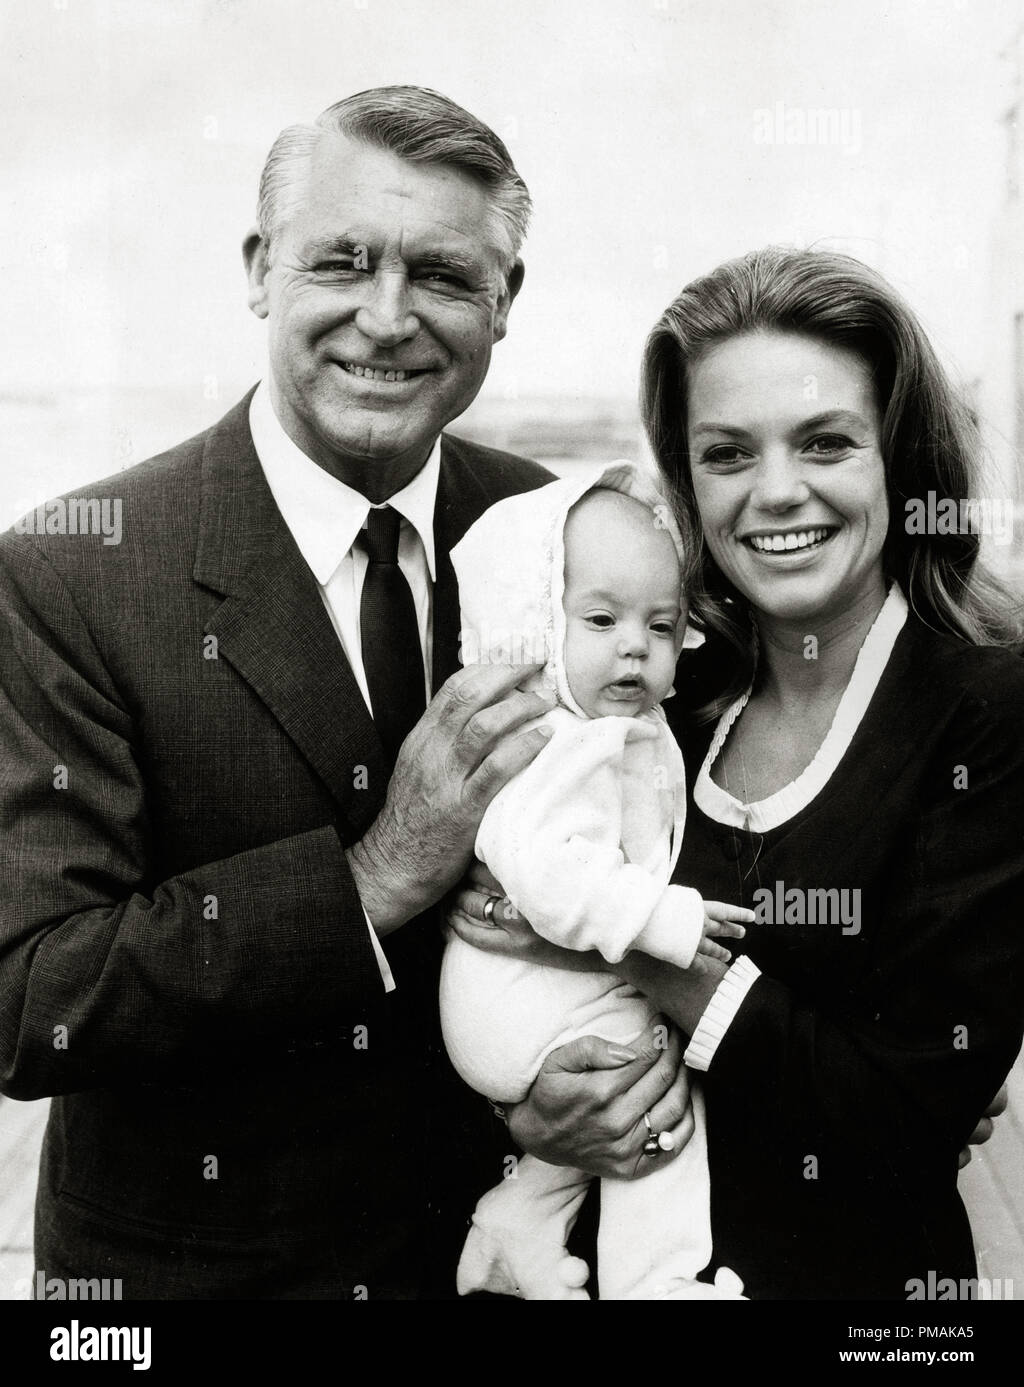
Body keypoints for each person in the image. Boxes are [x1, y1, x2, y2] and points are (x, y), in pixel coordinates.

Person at [0, 85, 694, 1300]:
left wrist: (880, 1057)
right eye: (343, 262)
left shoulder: (566, 534)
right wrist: (374, 876)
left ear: (504, 302)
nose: (387, 318)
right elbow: (30, 998)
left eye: (439, 273)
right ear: (262, 270)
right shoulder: (71, 571)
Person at [451, 246, 1024, 1300]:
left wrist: (637, 949)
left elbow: (914, 1109)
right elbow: (497, 939)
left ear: (897, 455)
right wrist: (534, 1104)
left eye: (824, 442)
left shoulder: (984, 712)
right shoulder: (674, 690)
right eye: (725, 453)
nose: (775, 492)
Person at [441, 465, 751, 1300]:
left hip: (522, 1001)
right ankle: (660, 1283)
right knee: (660, 1106)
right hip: (521, 1000)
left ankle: (515, 1230)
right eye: (603, 620)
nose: (635, 648)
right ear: (539, 625)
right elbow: (543, 871)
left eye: (662, 626)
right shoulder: (560, 741)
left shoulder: (614, 726)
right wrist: (663, 921)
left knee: (612, 1101)